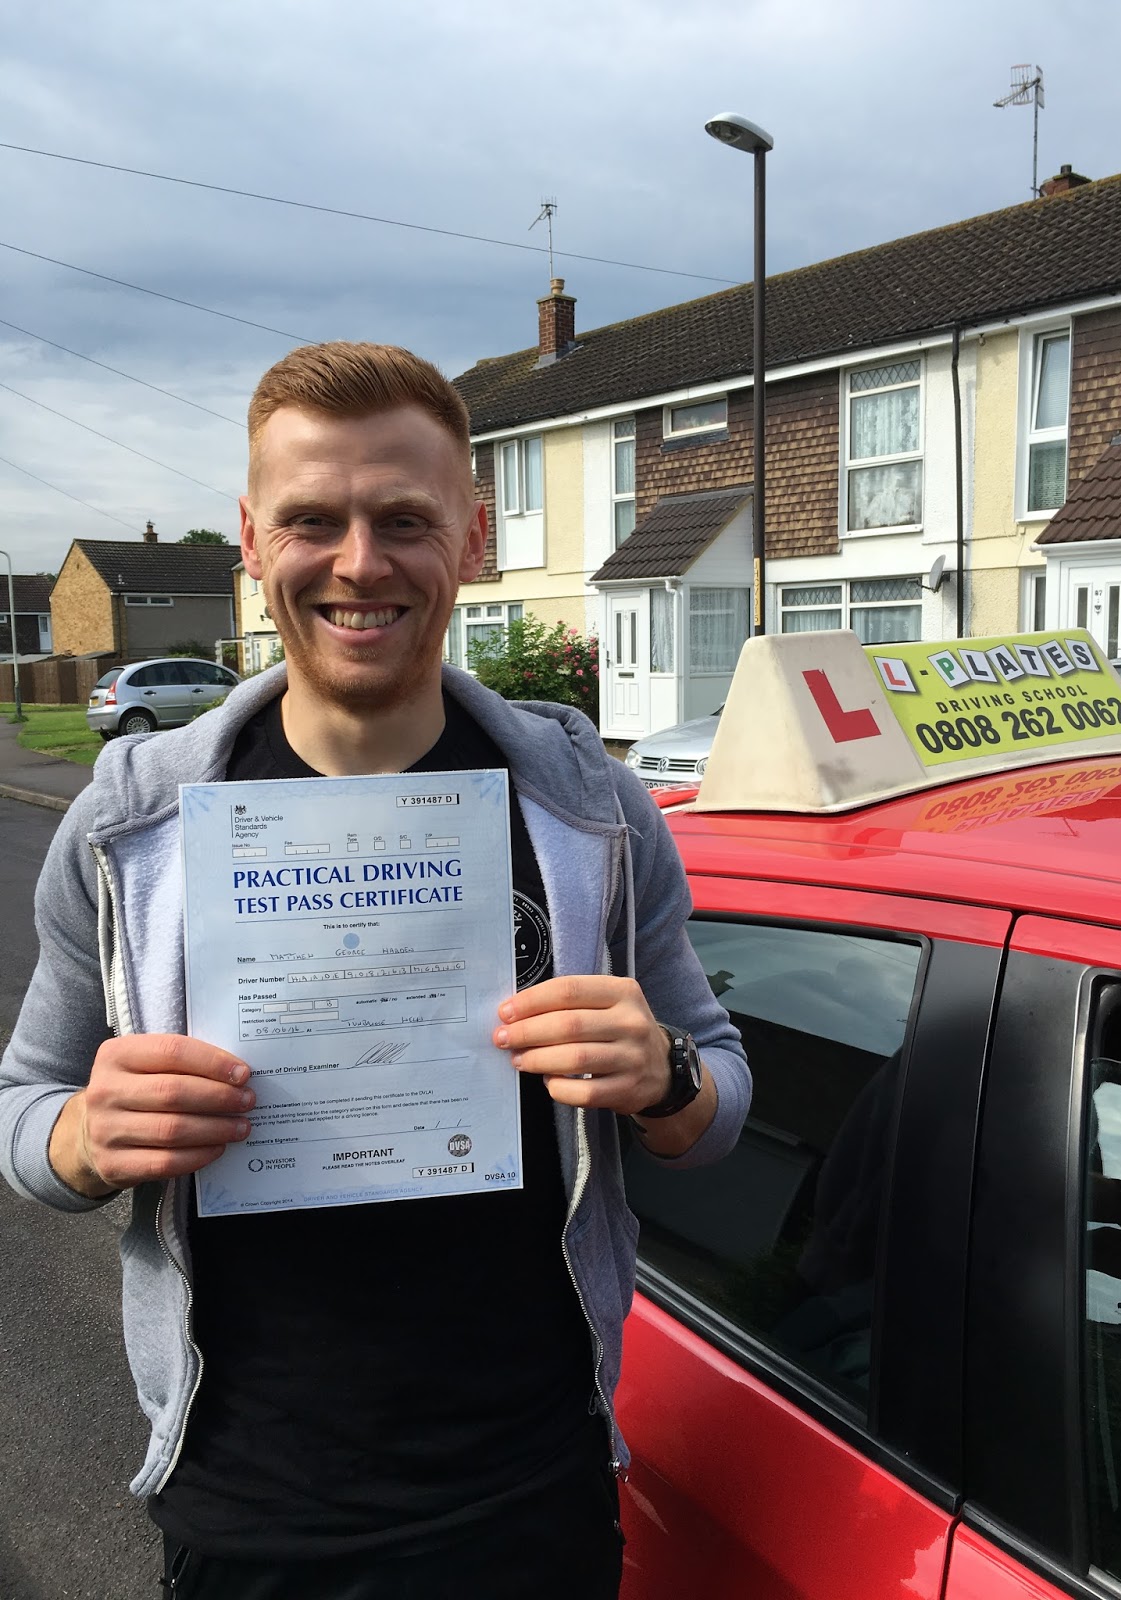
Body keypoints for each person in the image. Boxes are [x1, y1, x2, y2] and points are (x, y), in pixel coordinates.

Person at [0, 342, 750, 1599]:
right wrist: (84, 1134)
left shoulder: (593, 811)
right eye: (313, 519)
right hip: (250, 1509)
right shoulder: (132, 824)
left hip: (531, 1491)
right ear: (251, 537)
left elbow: (720, 1103)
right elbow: (24, 1113)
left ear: (470, 536)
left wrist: (664, 1074)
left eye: (403, 519)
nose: (359, 562)